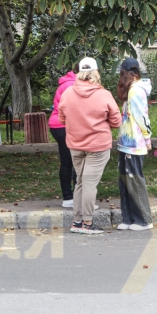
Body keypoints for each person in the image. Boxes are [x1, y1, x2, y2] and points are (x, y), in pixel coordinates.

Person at [57, 57, 121, 235]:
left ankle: (76, 221)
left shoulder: (67, 93)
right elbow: (116, 121)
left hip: (75, 145)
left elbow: (62, 118)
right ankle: (87, 223)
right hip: (97, 146)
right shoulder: (104, 94)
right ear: (95, 73)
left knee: (80, 182)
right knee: (89, 184)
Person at [116, 58, 154, 231]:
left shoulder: (136, 91)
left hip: (134, 144)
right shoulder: (131, 89)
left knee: (135, 181)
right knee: (125, 181)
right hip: (126, 144)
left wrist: (147, 138)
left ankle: (143, 220)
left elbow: (142, 117)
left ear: (125, 73)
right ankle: (128, 219)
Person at [47, 64, 79, 207]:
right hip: (65, 125)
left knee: (67, 161)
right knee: (76, 161)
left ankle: (68, 197)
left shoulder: (67, 82)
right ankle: (76, 198)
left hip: (58, 125)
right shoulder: (73, 85)